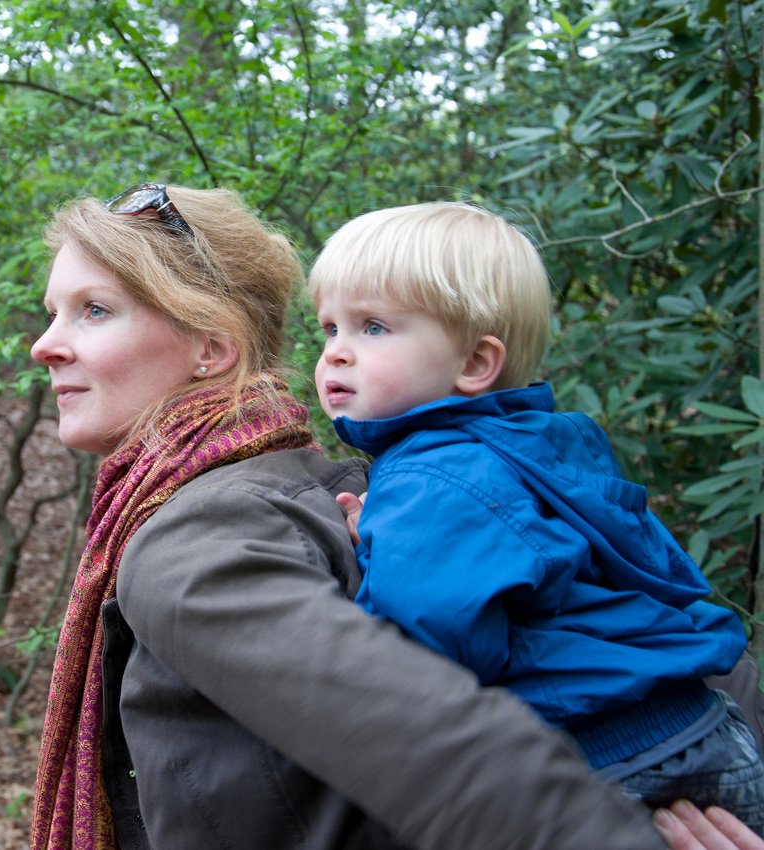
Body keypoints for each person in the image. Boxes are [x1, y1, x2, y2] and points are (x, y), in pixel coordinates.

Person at [25, 181, 762, 850]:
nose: (44, 345)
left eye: (94, 311)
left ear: (212, 348)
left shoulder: (203, 533)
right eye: (54, 313)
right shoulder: (373, 481)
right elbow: (680, 626)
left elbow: (444, 743)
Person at [309, 201, 764, 830]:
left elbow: (430, 650)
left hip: (615, 761)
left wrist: (380, 559)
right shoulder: (538, 445)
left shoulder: (431, 475)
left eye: (374, 327)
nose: (336, 353)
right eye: (330, 328)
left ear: (474, 363)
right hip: (706, 731)